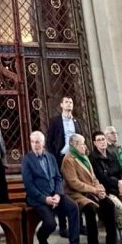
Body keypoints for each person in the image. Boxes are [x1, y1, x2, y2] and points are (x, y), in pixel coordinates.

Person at [22, 131, 85, 244]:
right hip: (38, 199)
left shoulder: (50, 157)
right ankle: (41, 236)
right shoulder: (27, 160)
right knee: (51, 224)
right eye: (32, 142)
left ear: (43, 143)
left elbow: (58, 178)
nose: (35, 145)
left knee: (73, 207)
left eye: (38, 142)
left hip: (55, 195)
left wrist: (58, 194)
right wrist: (45, 199)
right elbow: (29, 186)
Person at [61, 133, 120, 244]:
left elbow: (93, 177)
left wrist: (99, 188)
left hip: (90, 191)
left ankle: (112, 241)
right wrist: (94, 190)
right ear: (74, 145)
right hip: (75, 194)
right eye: (82, 144)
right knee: (90, 208)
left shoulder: (84, 157)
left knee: (109, 204)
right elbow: (74, 183)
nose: (85, 147)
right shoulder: (68, 160)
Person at [90, 130, 122, 244]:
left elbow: (120, 172)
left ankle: (117, 223)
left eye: (103, 139)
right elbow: (101, 177)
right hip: (106, 189)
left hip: (119, 187)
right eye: (99, 140)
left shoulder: (112, 155)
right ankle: (121, 228)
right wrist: (117, 184)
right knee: (119, 207)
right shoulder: (93, 158)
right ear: (94, 143)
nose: (102, 142)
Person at [46, 97, 84, 235]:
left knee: (77, 189)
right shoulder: (55, 121)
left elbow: (81, 140)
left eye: (71, 102)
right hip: (60, 158)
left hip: (75, 159)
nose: (69, 104)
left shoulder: (77, 122)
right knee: (61, 190)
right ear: (61, 105)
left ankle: (79, 224)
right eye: (67, 102)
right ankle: (63, 226)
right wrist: (53, 159)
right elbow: (49, 141)